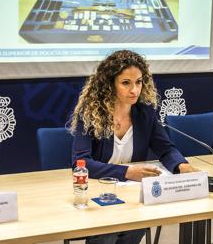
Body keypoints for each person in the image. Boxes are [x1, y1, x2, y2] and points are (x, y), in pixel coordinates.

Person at [70, 49, 197, 244]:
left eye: (139, 82)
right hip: (100, 193)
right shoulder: (90, 114)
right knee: (107, 234)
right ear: (109, 85)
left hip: (131, 195)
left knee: (137, 225)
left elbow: (166, 149)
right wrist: (128, 172)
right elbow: (82, 164)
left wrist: (182, 166)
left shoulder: (144, 113)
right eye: (126, 83)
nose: (134, 90)